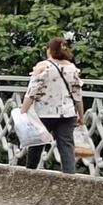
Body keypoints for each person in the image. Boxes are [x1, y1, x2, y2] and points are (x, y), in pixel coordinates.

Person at [18, 33, 85, 172]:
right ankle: (69, 177)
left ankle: (30, 173)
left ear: (49, 50)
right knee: (66, 146)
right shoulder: (72, 68)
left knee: (36, 143)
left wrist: (23, 111)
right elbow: (77, 95)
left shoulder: (42, 67)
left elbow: (31, 92)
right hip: (67, 113)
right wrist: (81, 115)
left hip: (43, 113)